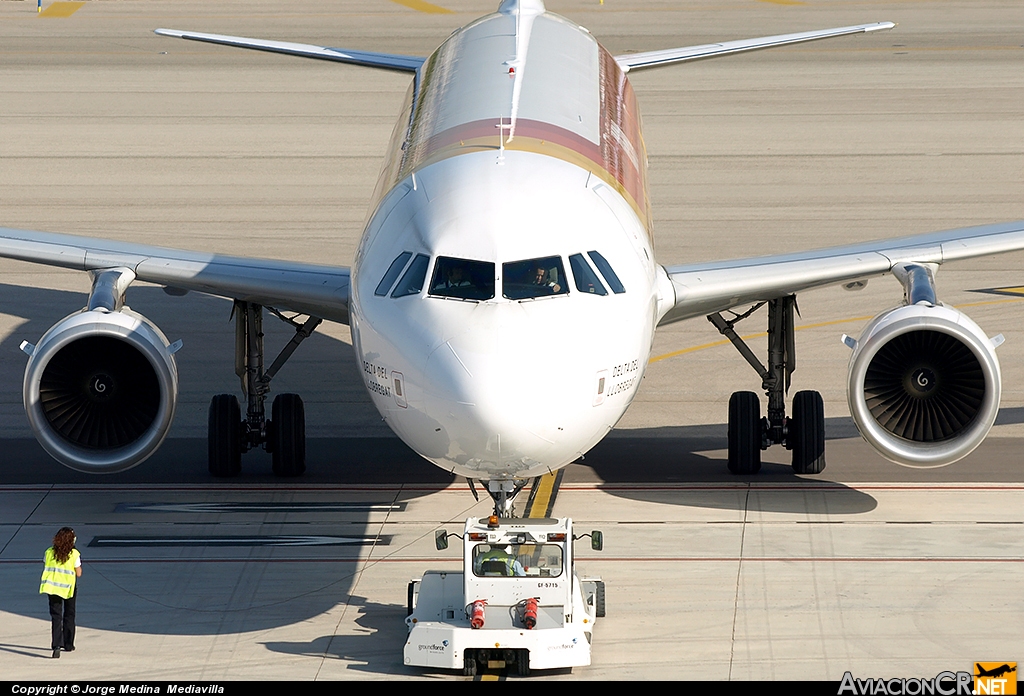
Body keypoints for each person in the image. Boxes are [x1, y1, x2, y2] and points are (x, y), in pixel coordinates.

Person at [39, 527, 81, 658]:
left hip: (52, 588)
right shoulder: (74, 554)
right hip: (68, 588)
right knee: (69, 614)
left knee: (56, 616)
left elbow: (46, 565)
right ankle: (68, 644)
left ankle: (56, 644)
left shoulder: (49, 552)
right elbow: (78, 573)